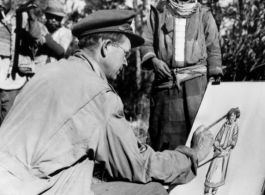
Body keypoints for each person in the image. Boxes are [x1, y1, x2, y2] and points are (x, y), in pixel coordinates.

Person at [0, 10, 214, 195]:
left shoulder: (48, 72)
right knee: (153, 190)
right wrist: (192, 155)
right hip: (30, 189)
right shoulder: (99, 96)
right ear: (106, 46)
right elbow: (141, 166)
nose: (126, 61)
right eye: (125, 53)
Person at [140, 0, 223, 151]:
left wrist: (214, 78)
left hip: (196, 85)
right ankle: (164, 171)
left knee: (198, 130)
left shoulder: (204, 14)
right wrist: (154, 61)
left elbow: (214, 48)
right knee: (163, 134)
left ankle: (195, 170)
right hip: (166, 83)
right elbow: (146, 42)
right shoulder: (158, 11)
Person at [0, 0, 43, 124]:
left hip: (12, 81)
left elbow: (37, 37)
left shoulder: (22, 16)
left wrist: (31, 16)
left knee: (7, 122)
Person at [204, 108, 240, 195]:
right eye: (230, 116)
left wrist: (227, 149)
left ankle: (214, 191)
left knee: (220, 172)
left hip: (225, 154)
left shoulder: (235, 126)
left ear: (236, 117)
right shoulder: (224, 125)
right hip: (218, 151)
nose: (232, 118)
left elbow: (234, 140)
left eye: (233, 116)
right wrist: (217, 146)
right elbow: (218, 138)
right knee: (212, 171)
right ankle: (206, 191)